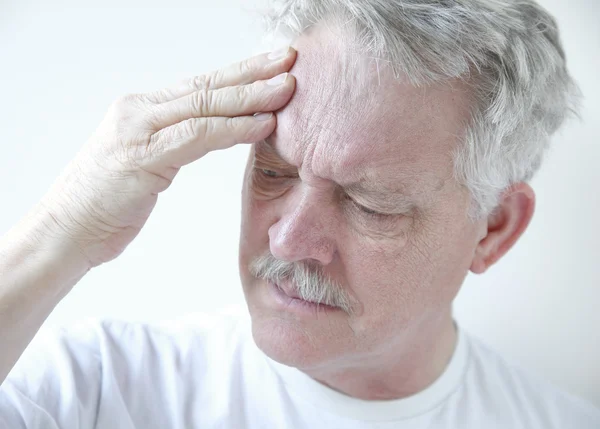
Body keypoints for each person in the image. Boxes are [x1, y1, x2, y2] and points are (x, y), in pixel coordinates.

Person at [0, 0, 598, 427]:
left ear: (493, 228)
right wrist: (60, 233)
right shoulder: (99, 389)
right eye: (273, 173)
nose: (287, 241)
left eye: (371, 204)